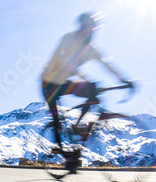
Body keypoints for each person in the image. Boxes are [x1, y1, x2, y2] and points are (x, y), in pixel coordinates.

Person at [41, 12, 133, 150]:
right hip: (48, 83)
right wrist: (83, 77)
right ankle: (62, 151)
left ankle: (78, 127)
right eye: (88, 28)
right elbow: (63, 62)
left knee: (92, 89)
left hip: (63, 83)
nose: (91, 32)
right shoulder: (68, 40)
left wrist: (124, 80)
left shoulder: (90, 49)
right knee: (57, 121)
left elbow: (107, 64)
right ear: (82, 28)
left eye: (93, 29)